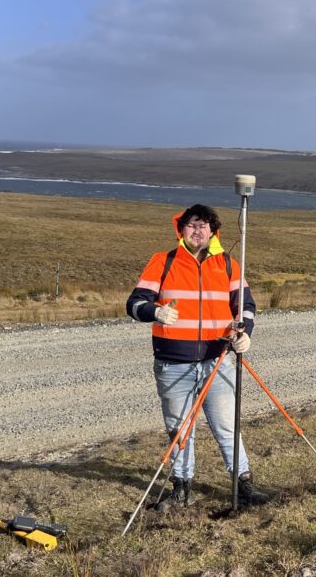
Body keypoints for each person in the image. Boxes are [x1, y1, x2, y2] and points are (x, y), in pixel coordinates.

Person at [126, 203, 268, 510]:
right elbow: (135, 304)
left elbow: (246, 306)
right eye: (192, 225)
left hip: (217, 361)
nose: (197, 230)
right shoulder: (162, 262)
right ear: (181, 229)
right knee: (180, 429)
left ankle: (244, 486)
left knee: (227, 426)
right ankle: (182, 489)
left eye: (204, 226)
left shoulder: (227, 264)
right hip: (173, 363)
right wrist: (156, 311)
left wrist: (245, 334)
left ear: (213, 231)